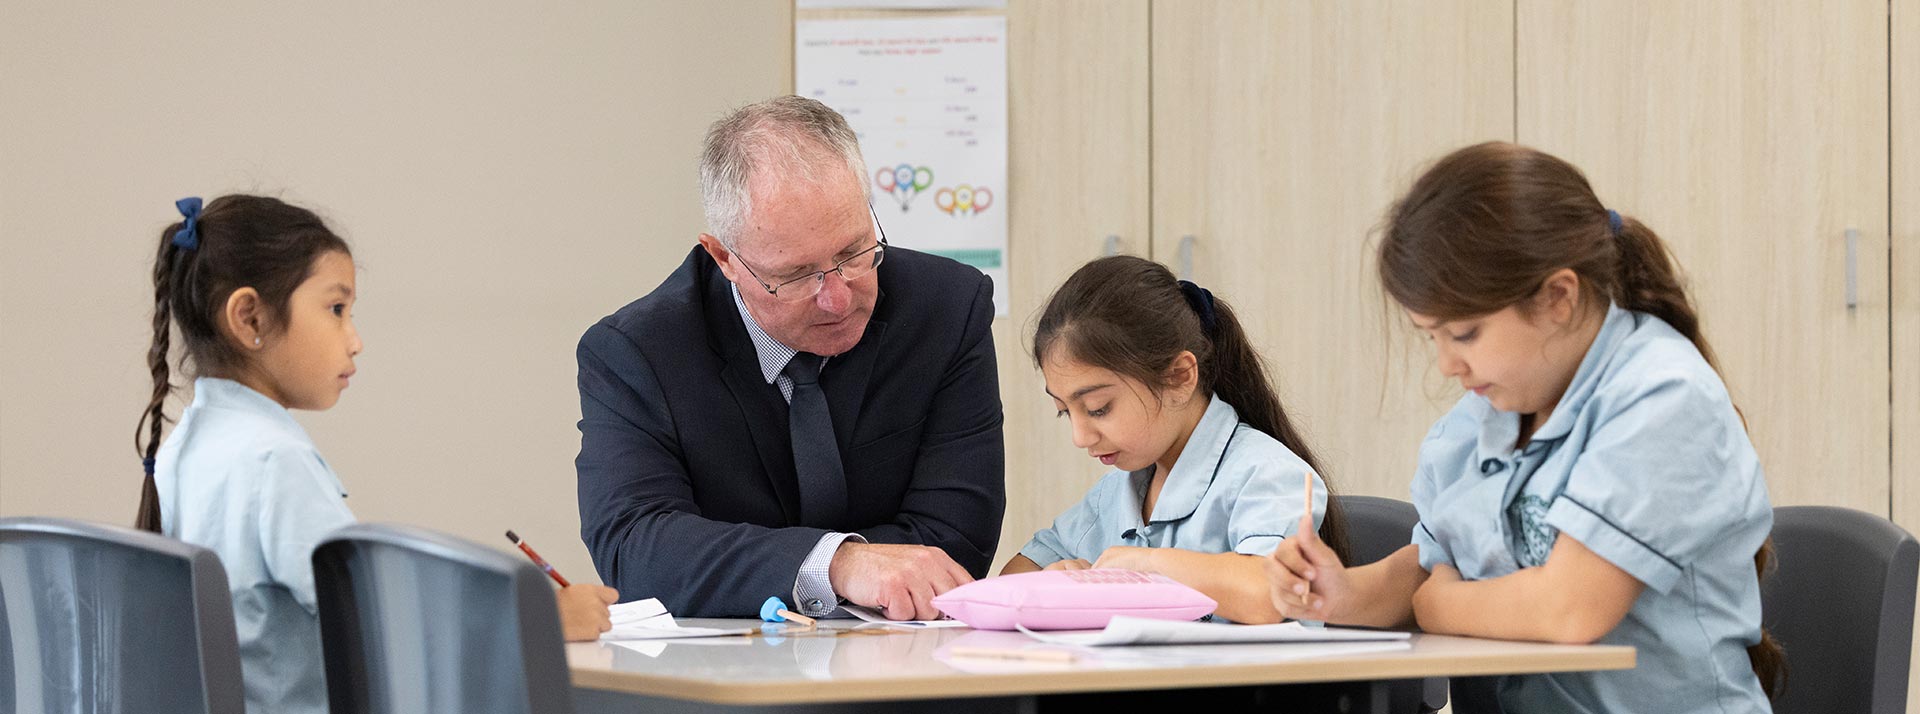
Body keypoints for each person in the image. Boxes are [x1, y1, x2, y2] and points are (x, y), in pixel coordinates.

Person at [1264, 142, 1781, 712]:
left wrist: (1440, 604)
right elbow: (1432, 571)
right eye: (1429, 336)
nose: (1446, 365)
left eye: (1463, 335)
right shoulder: (1481, 418)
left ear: (1558, 297)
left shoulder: (1662, 396)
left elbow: (1568, 609)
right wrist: (1340, 593)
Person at [137, 195, 617, 714]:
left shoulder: (187, 444)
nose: (355, 339)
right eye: (336, 309)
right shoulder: (273, 460)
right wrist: (542, 618)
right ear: (250, 317)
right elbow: (386, 626)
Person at [575, 96, 1005, 620]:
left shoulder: (946, 309)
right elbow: (635, 546)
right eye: (798, 275)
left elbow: (955, 538)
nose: (839, 298)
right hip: (727, 679)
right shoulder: (639, 352)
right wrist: (837, 565)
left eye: (853, 253)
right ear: (724, 258)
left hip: (904, 663)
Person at [1001, 255, 1348, 624]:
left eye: (1098, 408)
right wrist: (1053, 584)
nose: (1080, 436)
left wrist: (1147, 565)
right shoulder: (1117, 490)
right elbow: (1015, 576)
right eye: (1065, 411)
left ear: (1180, 377)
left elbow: (1272, 594)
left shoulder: (1267, 474)